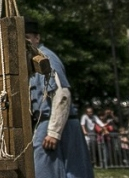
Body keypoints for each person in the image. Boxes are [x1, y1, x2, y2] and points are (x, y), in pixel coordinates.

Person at [25, 17, 94, 177]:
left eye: (28, 38)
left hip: (56, 124)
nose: (25, 44)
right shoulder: (30, 63)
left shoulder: (46, 58)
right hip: (46, 124)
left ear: (37, 38)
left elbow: (62, 94)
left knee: (50, 172)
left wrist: (54, 132)